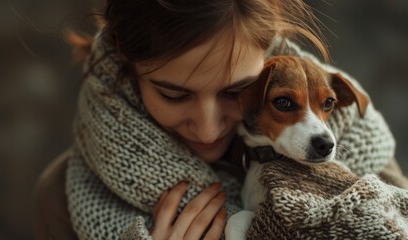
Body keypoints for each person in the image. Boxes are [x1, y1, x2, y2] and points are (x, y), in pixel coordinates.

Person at [33, 0, 408, 239]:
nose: (209, 127)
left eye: (235, 93)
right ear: (128, 69)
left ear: (269, 52)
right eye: (174, 94)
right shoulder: (67, 196)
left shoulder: (360, 153)